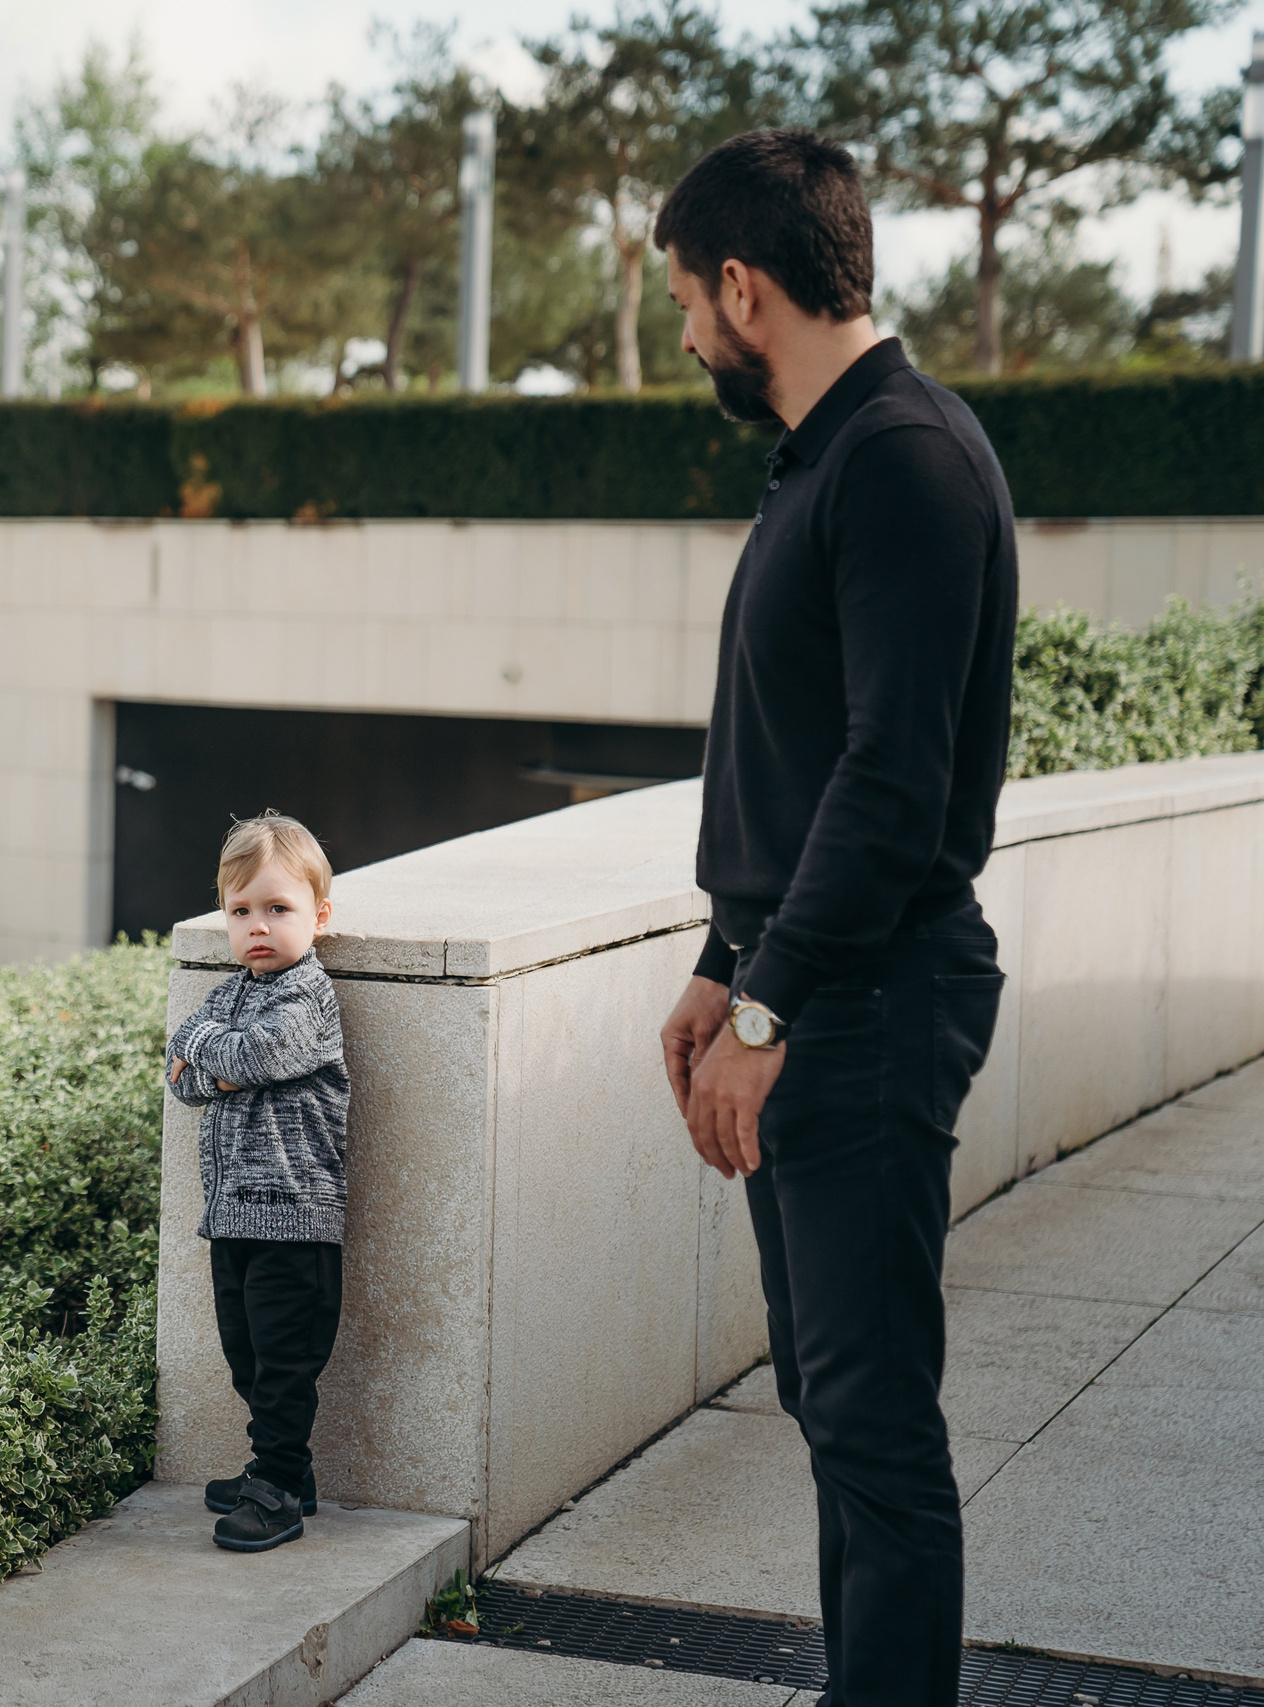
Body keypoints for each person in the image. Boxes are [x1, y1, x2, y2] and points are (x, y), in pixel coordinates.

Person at [653, 131, 1016, 1707]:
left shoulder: (904, 459)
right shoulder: (830, 454)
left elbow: (892, 781)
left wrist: (768, 1004)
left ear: (746, 288)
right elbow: (800, 755)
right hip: (813, 981)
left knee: (872, 1417)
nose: (685, 336)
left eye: (686, 301)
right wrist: (721, 958)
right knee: (828, 1389)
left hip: (866, 999)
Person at [166, 812, 350, 1554]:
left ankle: (276, 1486)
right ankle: (286, 1472)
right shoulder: (230, 994)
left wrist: (208, 1052)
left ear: (319, 916)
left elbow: (250, 1057)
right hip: (233, 1215)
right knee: (244, 1352)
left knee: (283, 1365)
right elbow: (183, 1080)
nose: (259, 927)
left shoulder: (308, 997)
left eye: (278, 908)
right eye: (241, 911)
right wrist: (214, 1057)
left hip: (294, 1218)